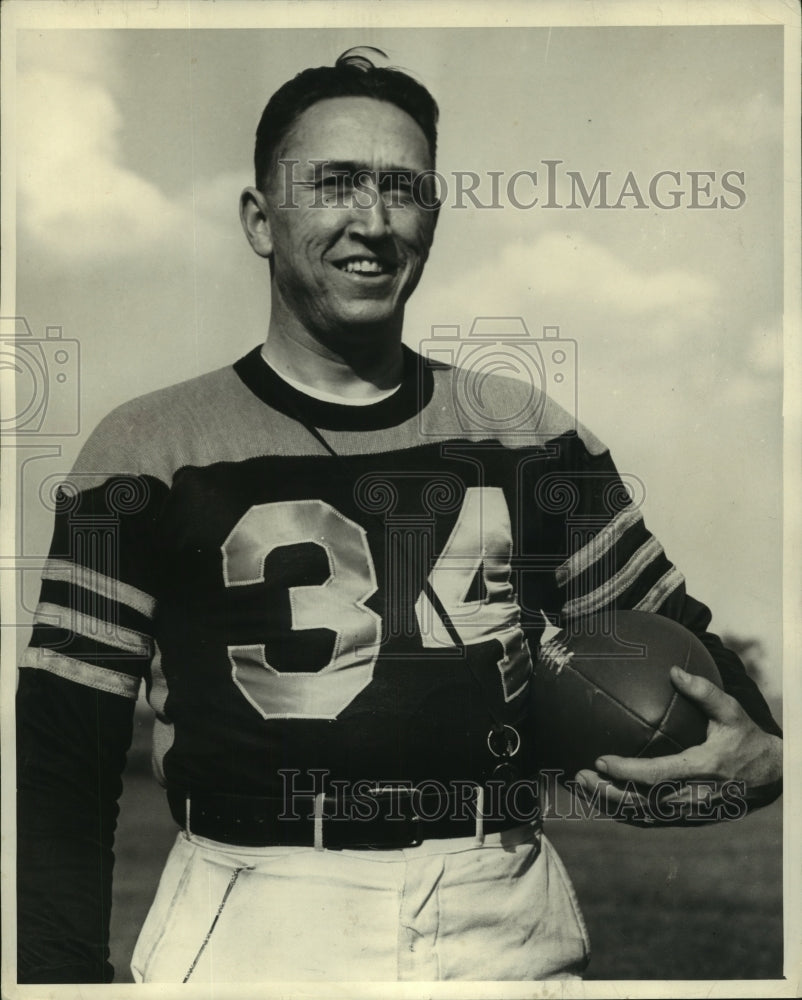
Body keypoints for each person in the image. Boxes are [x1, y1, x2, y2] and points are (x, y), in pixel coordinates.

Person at [17, 47, 782, 984]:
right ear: (260, 219)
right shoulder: (145, 448)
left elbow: (697, 667)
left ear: (434, 214)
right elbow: (65, 753)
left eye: (402, 188)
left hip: (503, 910)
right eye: (334, 183)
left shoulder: (534, 437)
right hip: (254, 914)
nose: (372, 221)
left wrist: (760, 766)